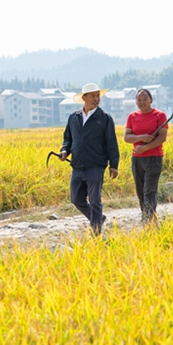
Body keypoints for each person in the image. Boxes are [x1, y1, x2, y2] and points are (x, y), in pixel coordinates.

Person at [59, 83, 120, 234]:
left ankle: (96, 231)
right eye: (92, 96)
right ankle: (98, 218)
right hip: (78, 165)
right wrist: (64, 150)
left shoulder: (105, 118)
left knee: (94, 201)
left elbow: (111, 142)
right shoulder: (74, 117)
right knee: (76, 199)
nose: (96, 99)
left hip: (96, 165)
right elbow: (68, 139)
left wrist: (114, 165)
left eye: (98, 95)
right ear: (84, 98)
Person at [123, 88, 167, 223]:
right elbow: (127, 137)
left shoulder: (160, 115)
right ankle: (147, 215)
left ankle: (148, 217)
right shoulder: (132, 116)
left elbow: (162, 137)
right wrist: (141, 138)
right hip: (137, 159)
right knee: (141, 190)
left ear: (151, 100)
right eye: (139, 100)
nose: (142, 102)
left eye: (145, 99)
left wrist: (146, 148)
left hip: (154, 158)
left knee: (149, 190)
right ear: (136, 102)